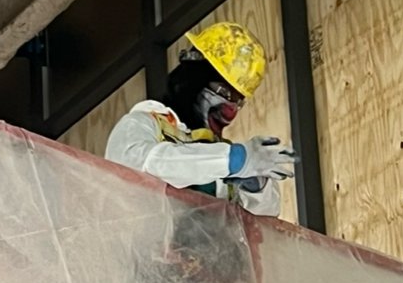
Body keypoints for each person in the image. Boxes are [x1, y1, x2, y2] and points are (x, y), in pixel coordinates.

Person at [104, 22, 296, 217]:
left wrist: (257, 188)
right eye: (223, 92)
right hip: (147, 247)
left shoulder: (219, 154)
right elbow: (145, 165)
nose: (230, 112)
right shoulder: (142, 125)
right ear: (192, 78)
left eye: (237, 101)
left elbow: (265, 223)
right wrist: (231, 160)